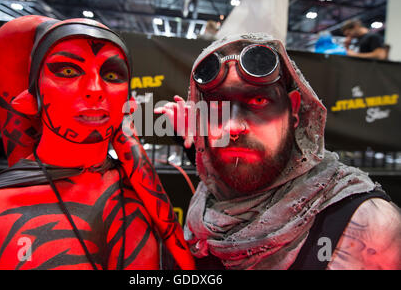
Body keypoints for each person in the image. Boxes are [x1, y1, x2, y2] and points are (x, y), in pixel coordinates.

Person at [0, 16, 195, 270]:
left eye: (111, 74)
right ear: (30, 98)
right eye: (68, 70)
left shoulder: (143, 199)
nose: (94, 88)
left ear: (128, 103)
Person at [156, 33, 401, 270]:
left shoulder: (366, 226)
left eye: (258, 102)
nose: (232, 126)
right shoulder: (204, 210)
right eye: (217, 107)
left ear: (293, 108)